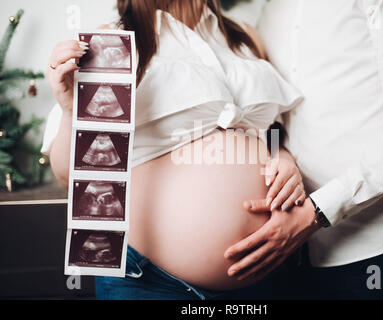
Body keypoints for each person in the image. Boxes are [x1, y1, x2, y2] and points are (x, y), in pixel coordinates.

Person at [42, 0, 308, 300]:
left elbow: (272, 130)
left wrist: (282, 158)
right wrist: (69, 111)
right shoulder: (111, 44)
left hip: (267, 273)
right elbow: (67, 175)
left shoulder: (245, 37)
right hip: (152, 284)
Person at [224, 0, 383, 299]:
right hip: (302, 257)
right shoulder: (273, 8)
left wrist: (314, 214)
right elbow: (277, 116)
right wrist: (281, 153)